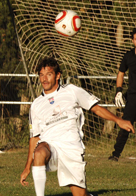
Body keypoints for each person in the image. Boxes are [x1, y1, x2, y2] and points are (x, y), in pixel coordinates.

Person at [19, 57, 134, 196]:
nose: (44, 79)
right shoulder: (36, 104)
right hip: (50, 145)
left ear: (58, 76)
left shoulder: (71, 91)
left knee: (80, 194)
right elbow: (34, 137)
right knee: (39, 152)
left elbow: (96, 108)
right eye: (41, 75)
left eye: (48, 74)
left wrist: (118, 120)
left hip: (71, 147)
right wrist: (27, 168)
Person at [108, 28, 136, 162]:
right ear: (132, 40)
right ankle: (116, 154)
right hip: (133, 97)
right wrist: (119, 90)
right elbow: (121, 73)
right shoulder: (128, 56)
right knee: (126, 125)